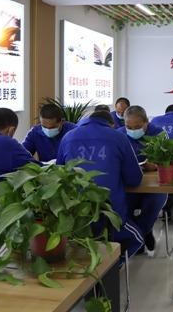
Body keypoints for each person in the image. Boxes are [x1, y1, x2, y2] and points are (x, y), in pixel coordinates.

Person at [56, 110, 145, 257]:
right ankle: (115, 264)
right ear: (111, 124)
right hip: (110, 211)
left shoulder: (68, 137)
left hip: (75, 212)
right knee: (137, 240)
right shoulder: (119, 137)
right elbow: (134, 179)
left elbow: (59, 174)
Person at [118, 105, 167, 255]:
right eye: (129, 127)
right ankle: (141, 234)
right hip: (130, 183)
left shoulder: (159, 134)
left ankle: (141, 233)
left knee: (153, 203)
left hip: (154, 184)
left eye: (137, 127)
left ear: (146, 122)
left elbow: (167, 160)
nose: (133, 130)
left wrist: (157, 164)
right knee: (124, 206)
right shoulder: (119, 135)